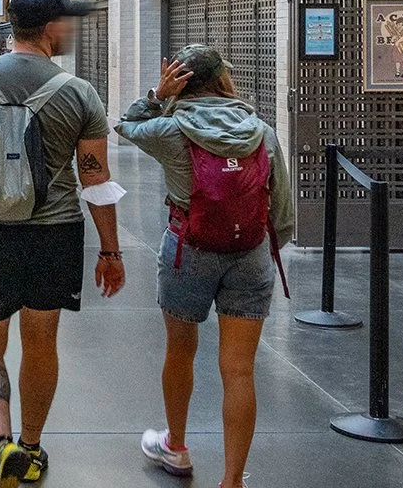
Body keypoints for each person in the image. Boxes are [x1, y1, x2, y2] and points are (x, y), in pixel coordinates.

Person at [0, 0, 124, 488]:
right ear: (49, 29)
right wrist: (110, 249)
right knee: (41, 344)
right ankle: (32, 448)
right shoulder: (80, 92)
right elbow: (95, 178)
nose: (70, 31)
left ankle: (1, 447)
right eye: (67, 22)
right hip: (54, 234)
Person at [115, 46, 292, 484]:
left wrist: (158, 94)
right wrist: (257, 248)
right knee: (238, 368)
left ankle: (176, 446)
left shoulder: (171, 130)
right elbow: (284, 214)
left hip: (187, 250)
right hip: (249, 255)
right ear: (224, 80)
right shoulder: (261, 131)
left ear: (182, 82)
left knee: (180, 352)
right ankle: (232, 481)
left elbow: (125, 126)